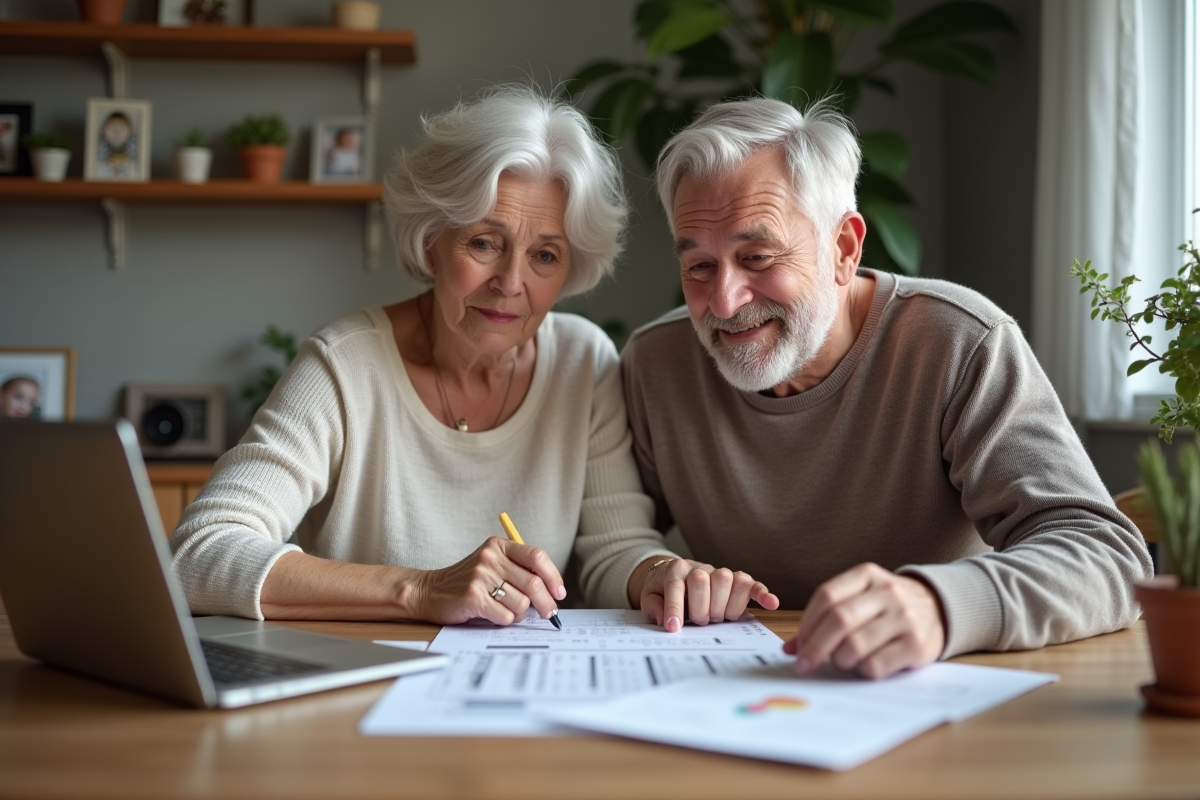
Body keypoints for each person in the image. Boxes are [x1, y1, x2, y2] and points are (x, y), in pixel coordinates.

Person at [171, 87, 777, 629]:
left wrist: (664, 575)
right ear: (433, 241)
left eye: (545, 255)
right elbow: (198, 554)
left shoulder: (582, 362)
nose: (511, 282)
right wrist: (420, 589)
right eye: (485, 243)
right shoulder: (345, 365)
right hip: (359, 698)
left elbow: (613, 548)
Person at [621, 97, 1152, 679]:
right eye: (699, 267)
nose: (724, 302)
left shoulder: (959, 343)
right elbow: (606, 537)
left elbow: (1110, 557)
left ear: (843, 248)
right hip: (737, 697)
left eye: (758, 256)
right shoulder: (655, 363)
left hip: (935, 702)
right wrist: (655, 571)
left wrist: (940, 605)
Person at [97, 111, 137, 179]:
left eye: (122, 129)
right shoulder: (97, 148)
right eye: (112, 128)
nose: (117, 133)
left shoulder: (136, 149)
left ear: (130, 131)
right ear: (103, 131)